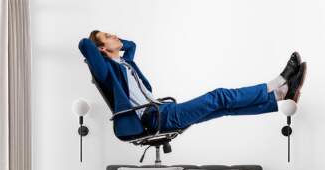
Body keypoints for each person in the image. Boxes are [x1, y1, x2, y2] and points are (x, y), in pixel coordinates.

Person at [80, 30, 307, 134]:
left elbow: (131, 45)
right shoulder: (106, 71)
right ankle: (278, 83)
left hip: (162, 109)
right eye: (109, 37)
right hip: (155, 117)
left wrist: (112, 42)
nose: (116, 36)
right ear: (101, 48)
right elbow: (84, 45)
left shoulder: (125, 62)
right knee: (219, 96)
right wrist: (96, 42)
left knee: (224, 107)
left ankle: (279, 97)